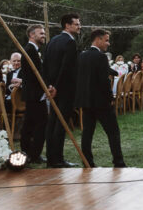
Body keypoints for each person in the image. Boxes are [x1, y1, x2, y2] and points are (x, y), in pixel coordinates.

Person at [75, 29, 126, 168]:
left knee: (87, 133)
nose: (108, 43)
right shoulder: (101, 57)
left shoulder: (82, 56)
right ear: (98, 40)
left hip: (86, 101)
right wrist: (110, 97)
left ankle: (87, 162)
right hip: (101, 102)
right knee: (113, 132)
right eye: (106, 40)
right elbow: (104, 81)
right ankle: (118, 162)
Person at [44, 13, 81, 168]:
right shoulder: (70, 42)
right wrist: (57, 87)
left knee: (52, 121)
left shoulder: (52, 41)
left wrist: (49, 85)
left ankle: (50, 157)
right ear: (67, 25)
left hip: (53, 88)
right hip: (64, 89)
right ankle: (57, 159)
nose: (79, 26)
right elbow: (66, 68)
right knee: (61, 123)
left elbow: (44, 65)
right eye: (76, 24)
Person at [20, 24, 48, 163]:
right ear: (32, 35)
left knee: (30, 124)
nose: (44, 35)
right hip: (35, 94)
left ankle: (28, 152)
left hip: (34, 93)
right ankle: (34, 154)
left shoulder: (33, 50)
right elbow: (34, 75)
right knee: (40, 124)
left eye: (44, 33)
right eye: (41, 33)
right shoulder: (30, 50)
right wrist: (45, 88)